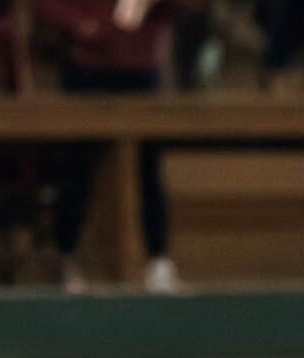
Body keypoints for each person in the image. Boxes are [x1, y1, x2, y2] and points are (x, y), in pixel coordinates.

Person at [35, 0, 193, 293]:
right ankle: (66, 256)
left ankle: (158, 261)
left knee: (149, 167)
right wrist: (80, 25)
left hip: (140, 66)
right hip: (86, 66)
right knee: (76, 167)